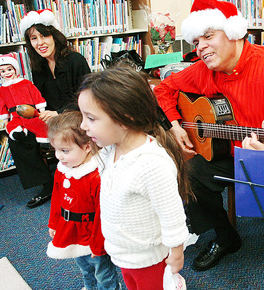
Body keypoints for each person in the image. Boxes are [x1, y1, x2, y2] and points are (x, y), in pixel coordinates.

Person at [153, 0, 264, 270]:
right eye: (196, 41)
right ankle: (226, 236)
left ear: (233, 32)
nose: (199, 47)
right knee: (190, 174)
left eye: (208, 36)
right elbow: (163, 89)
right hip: (227, 153)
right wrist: (175, 125)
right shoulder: (203, 70)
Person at [78, 67, 192, 290]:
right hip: (124, 254)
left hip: (147, 259)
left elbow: (172, 214)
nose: (83, 125)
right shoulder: (111, 149)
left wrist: (177, 253)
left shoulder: (151, 163)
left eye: (90, 118)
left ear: (125, 118)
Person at [14, 9, 91, 208]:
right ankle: (47, 184)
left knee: (68, 131)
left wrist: (60, 113)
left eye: (44, 35)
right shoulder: (37, 67)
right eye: (33, 38)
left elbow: (88, 96)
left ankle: (73, 178)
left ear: (54, 36)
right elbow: (39, 99)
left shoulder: (76, 60)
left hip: (77, 114)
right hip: (49, 117)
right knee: (18, 136)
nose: (40, 43)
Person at [46, 111, 120, 290]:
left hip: (93, 234)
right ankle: (90, 287)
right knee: (84, 267)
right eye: (56, 150)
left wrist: (97, 245)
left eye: (64, 151)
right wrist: (54, 223)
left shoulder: (96, 176)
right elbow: (57, 197)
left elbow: (102, 214)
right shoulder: (63, 169)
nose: (59, 156)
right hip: (72, 230)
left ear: (87, 147)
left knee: (102, 271)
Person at [0, 54, 49, 145]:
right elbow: (2, 106)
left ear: (15, 69)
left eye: (9, 69)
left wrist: (42, 110)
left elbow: (36, 96)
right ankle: (18, 134)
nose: (7, 73)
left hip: (31, 113)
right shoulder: (1, 90)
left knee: (40, 124)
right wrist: (6, 122)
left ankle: (44, 141)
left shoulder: (26, 83)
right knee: (12, 126)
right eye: (2, 71)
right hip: (15, 116)